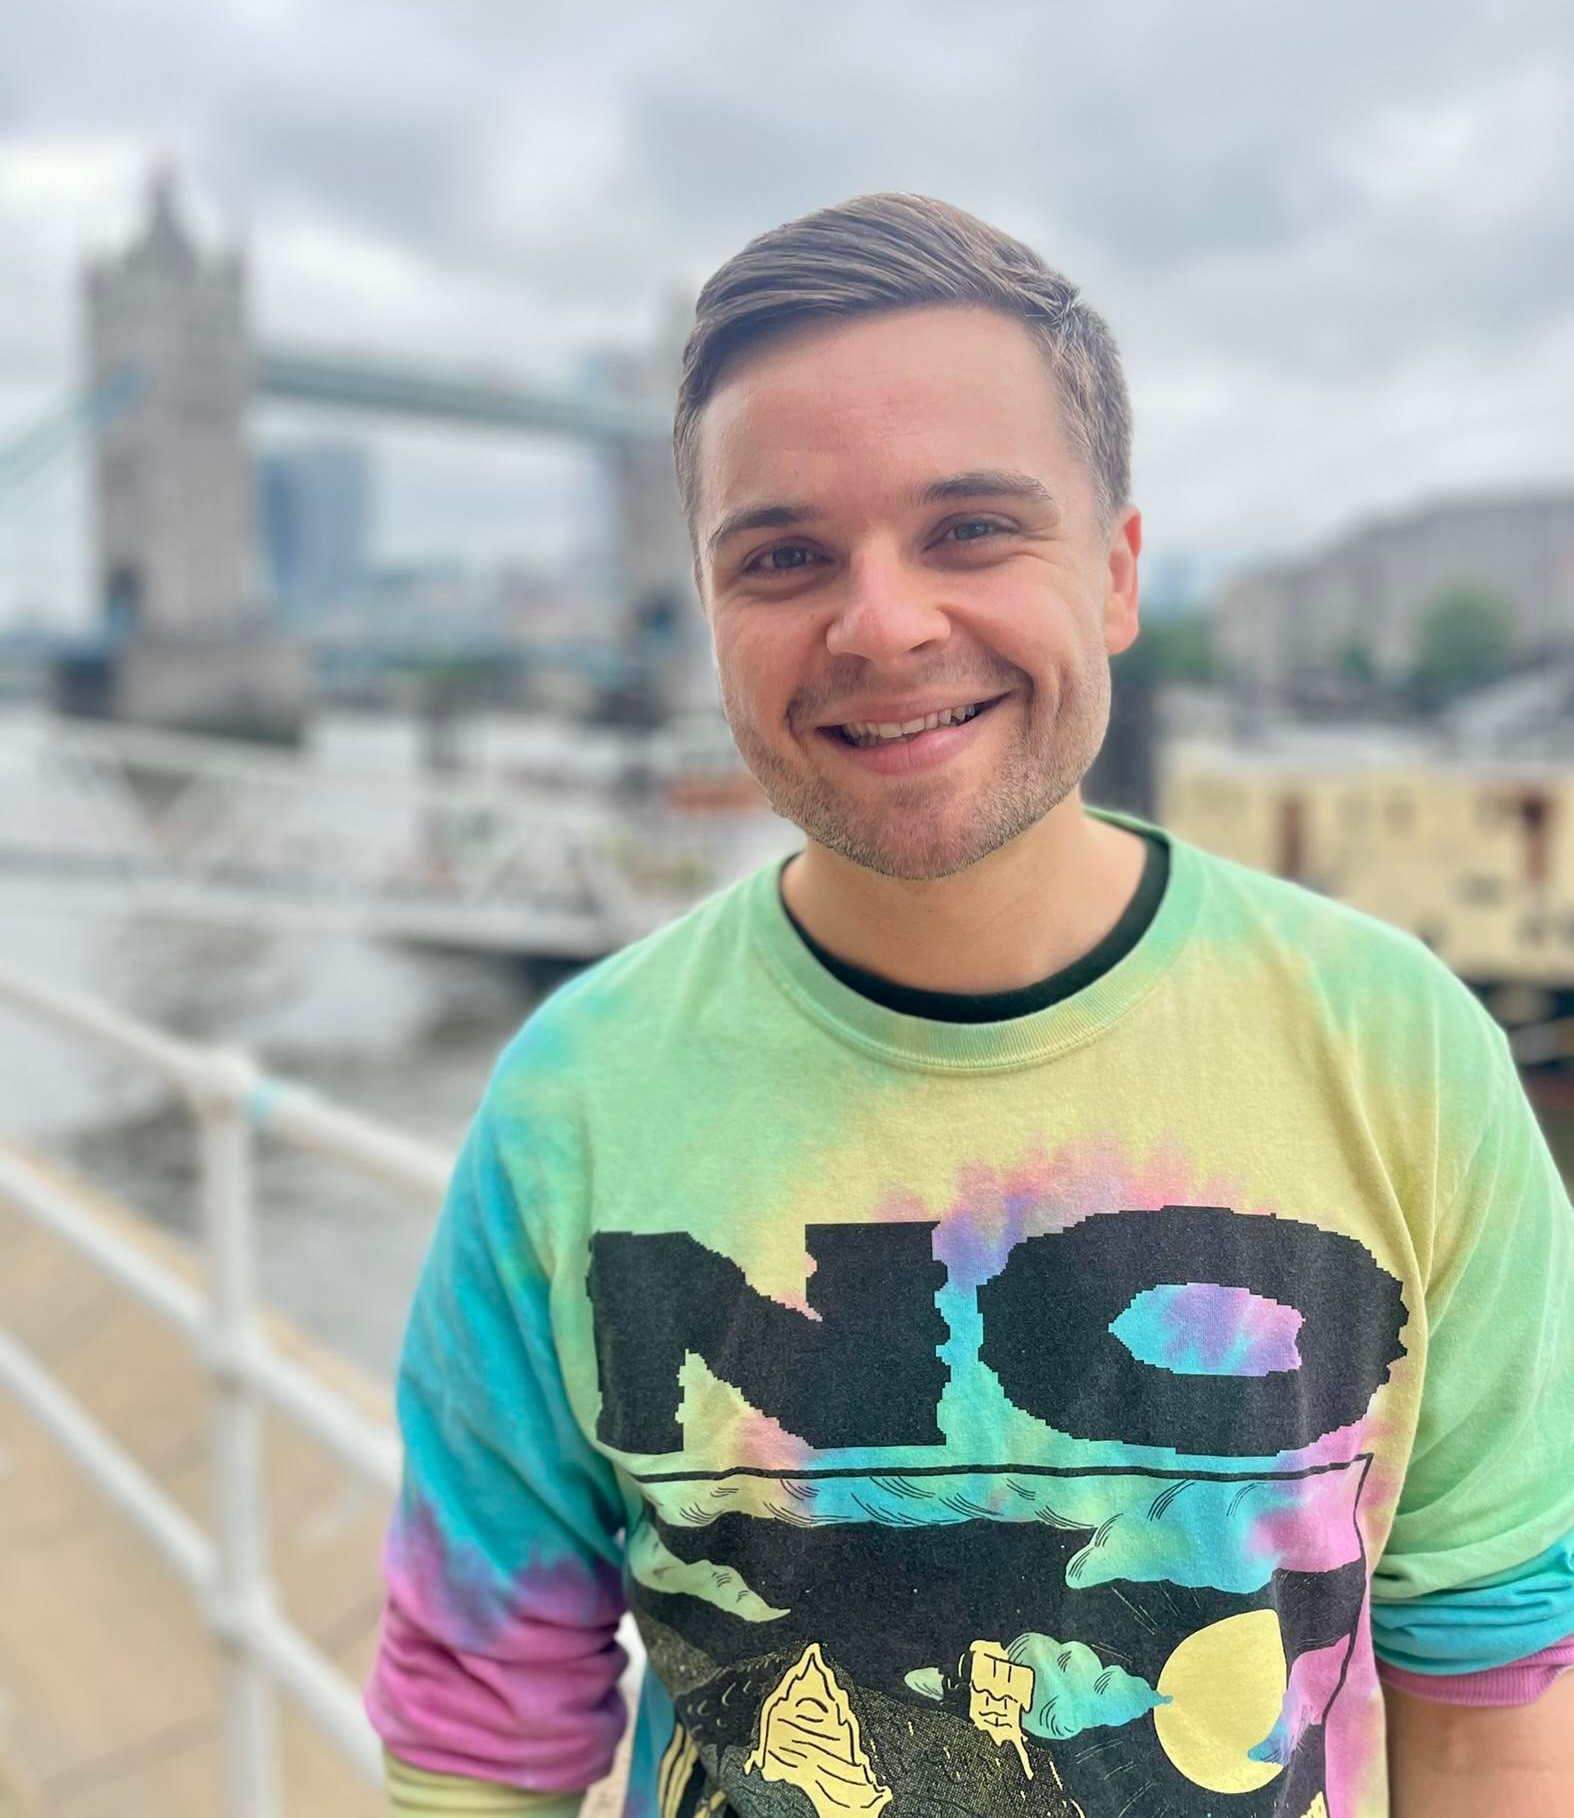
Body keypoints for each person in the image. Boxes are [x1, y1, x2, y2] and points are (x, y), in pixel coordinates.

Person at [365, 195, 1574, 1818]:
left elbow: (1495, 1672)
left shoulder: (1397, 1053)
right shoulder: (570, 1103)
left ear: (1117, 574)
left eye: (971, 529)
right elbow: (476, 1726)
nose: (882, 623)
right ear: (714, 616)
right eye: (784, 555)